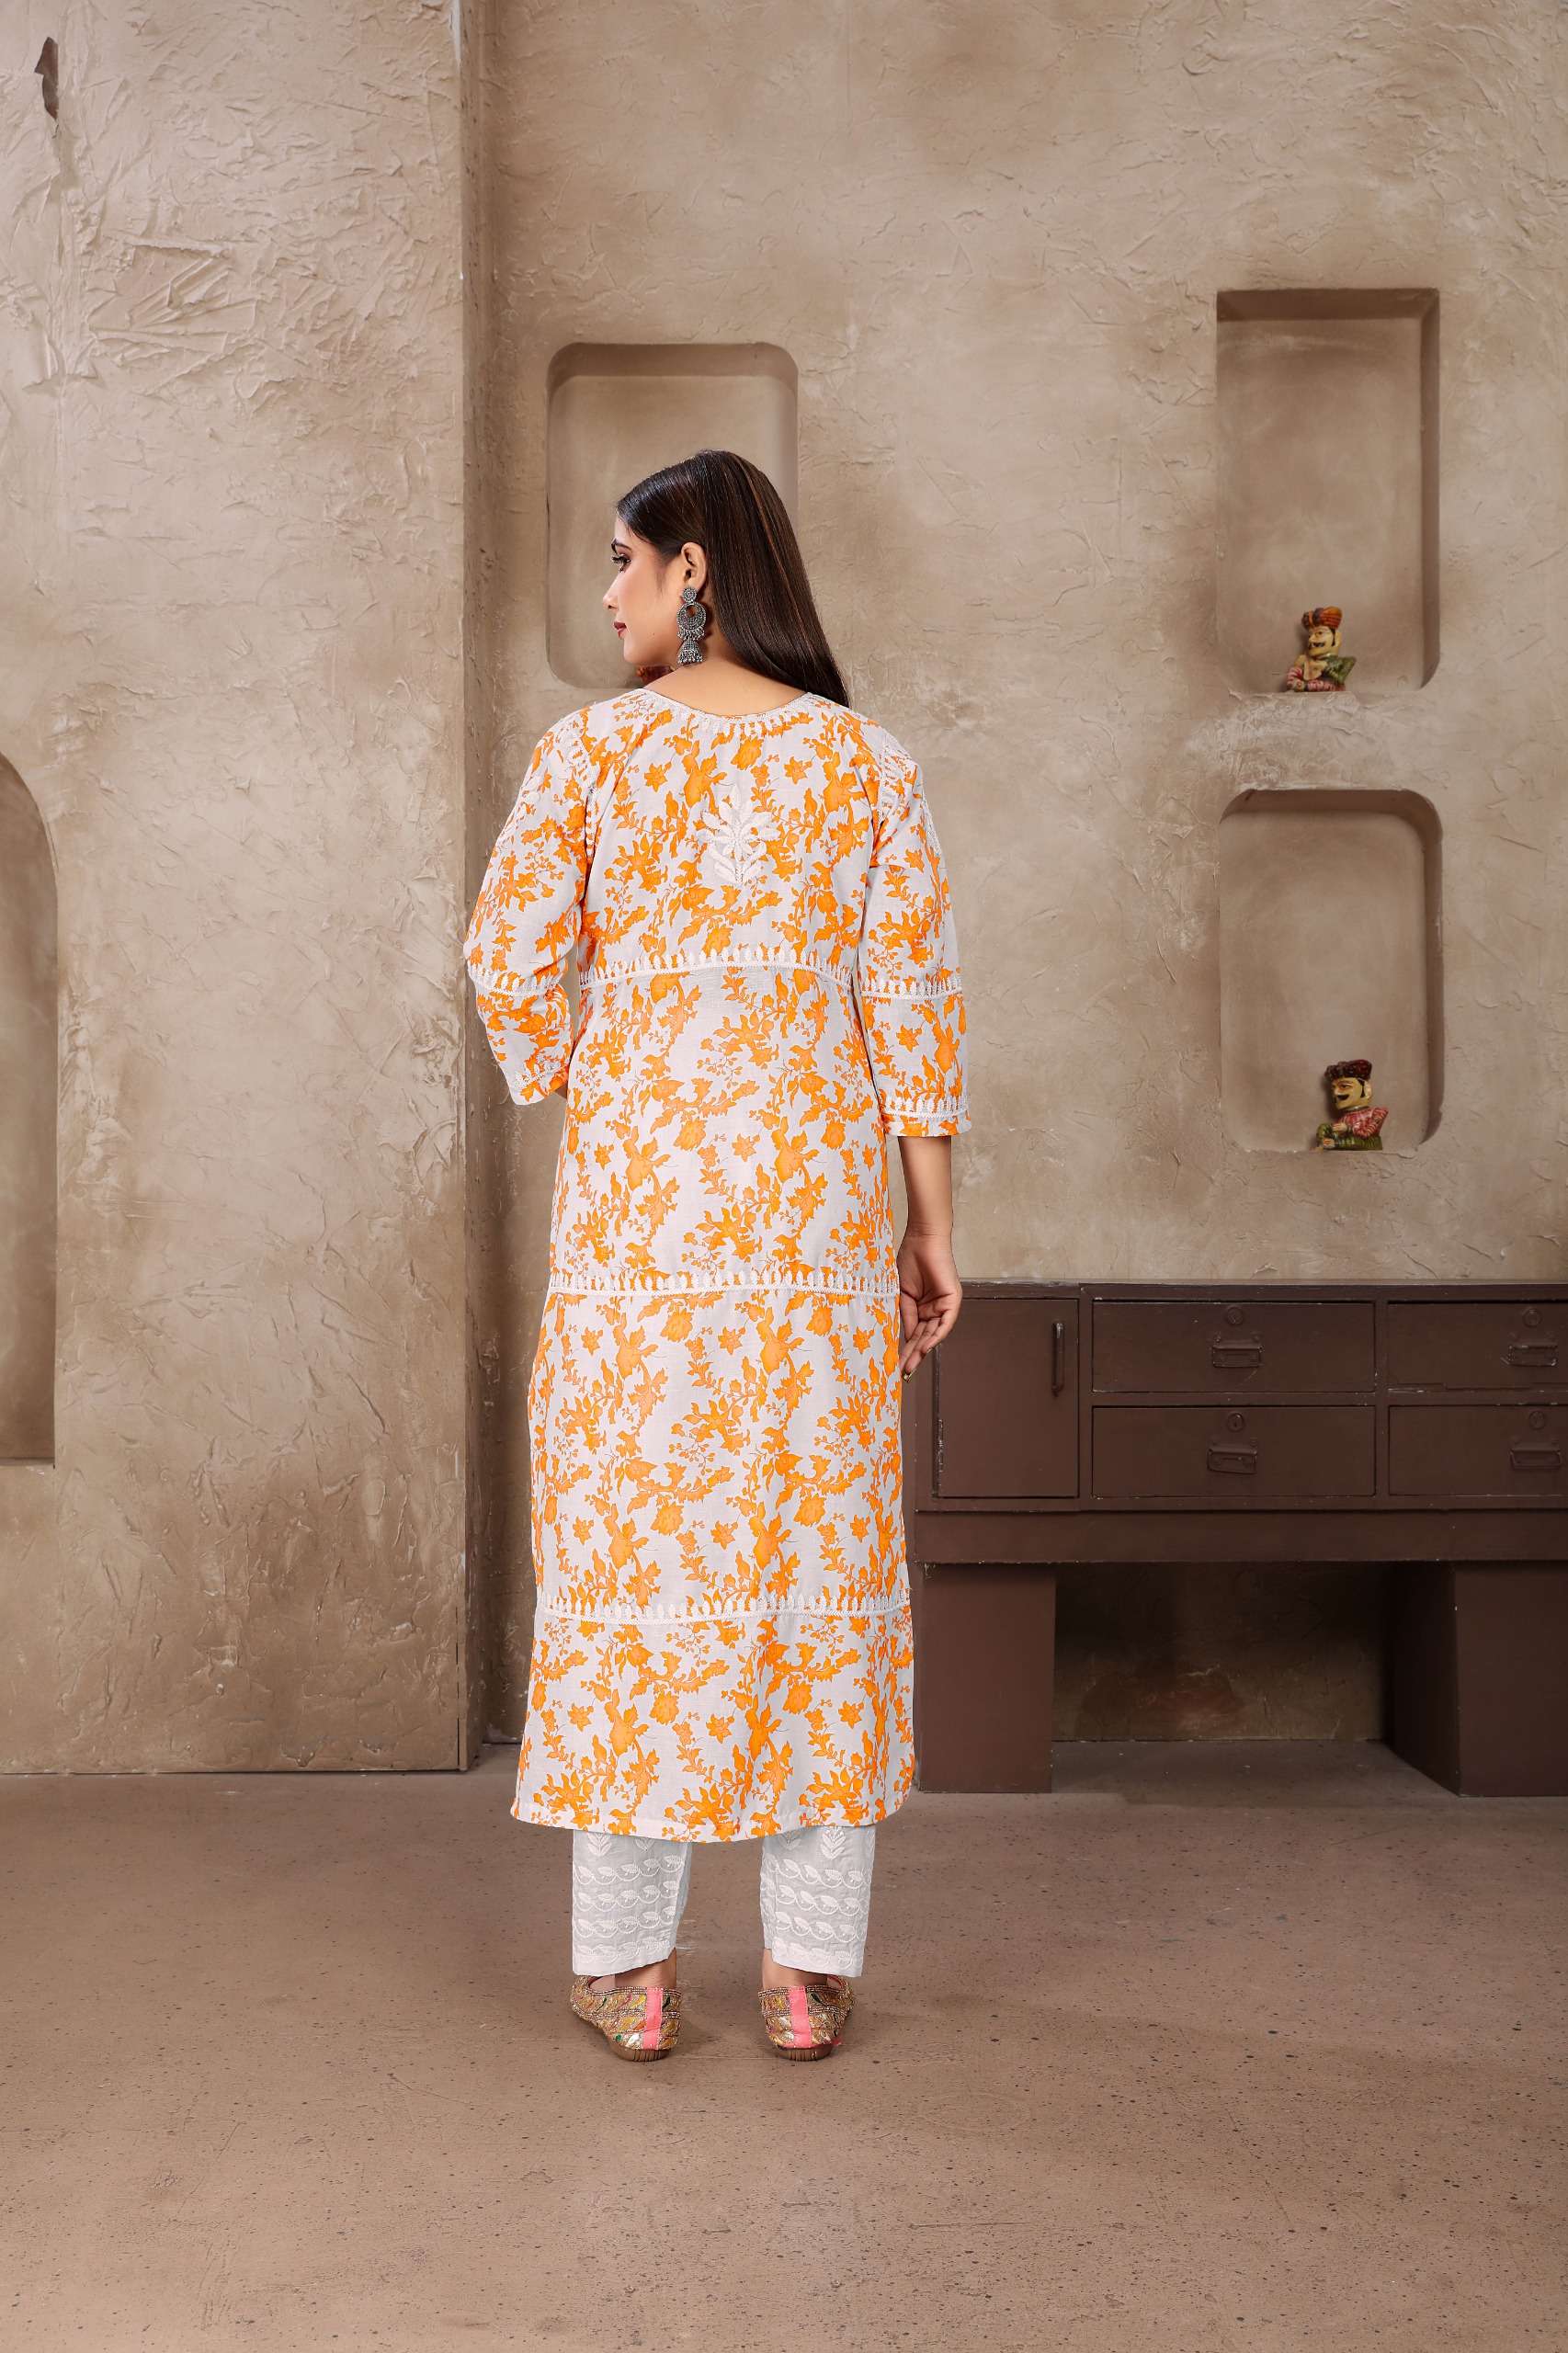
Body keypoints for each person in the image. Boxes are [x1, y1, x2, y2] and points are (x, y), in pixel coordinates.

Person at [463, 448, 971, 2062]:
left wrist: (611, 1068)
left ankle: (630, 1974)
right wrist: (929, 1227)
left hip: (642, 1240)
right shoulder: (865, 765)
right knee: (815, 1575)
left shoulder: (590, 757)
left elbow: (507, 962)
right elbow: (912, 1010)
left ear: (692, 569)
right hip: (818, 1238)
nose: (606, 589)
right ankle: (807, 1978)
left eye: (623, 558)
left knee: (638, 1575)